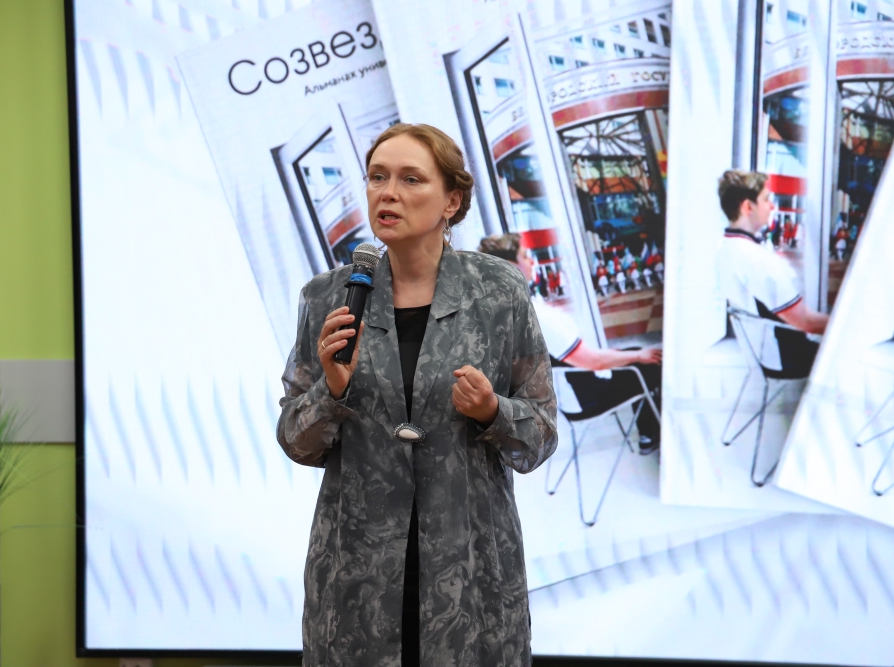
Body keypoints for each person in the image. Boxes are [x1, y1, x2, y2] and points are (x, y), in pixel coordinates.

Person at [277, 124, 557, 666]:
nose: (388, 193)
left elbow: (541, 434)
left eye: (411, 179)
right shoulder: (328, 297)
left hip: (469, 574)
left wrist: (493, 411)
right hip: (357, 578)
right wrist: (331, 392)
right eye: (377, 177)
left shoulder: (498, 292)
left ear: (451, 201)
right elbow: (296, 440)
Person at [478, 233, 663, 454]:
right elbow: (593, 362)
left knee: (633, 354)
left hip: (564, 400)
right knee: (651, 363)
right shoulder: (533, 315)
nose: (531, 261)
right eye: (525, 256)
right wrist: (639, 356)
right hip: (589, 398)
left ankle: (648, 434)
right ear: (511, 266)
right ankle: (654, 435)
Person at [716, 170, 828, 376]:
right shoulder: (756, 257)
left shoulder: (725, 247)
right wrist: (845, 324)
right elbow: (805, 321)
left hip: (758, 353)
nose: (772, 206)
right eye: (766, 199)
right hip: (782, 357)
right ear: (748, 207)